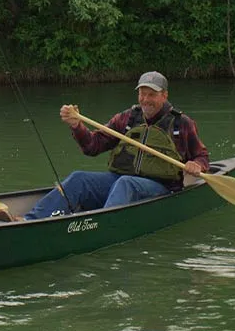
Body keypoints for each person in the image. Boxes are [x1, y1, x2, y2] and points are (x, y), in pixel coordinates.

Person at [23, 71, 209, 220]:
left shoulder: (181, 123)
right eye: (142, 94)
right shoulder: (127, 118)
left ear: (164, 95)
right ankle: (29, 220)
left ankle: (100, 225)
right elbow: (92, 146)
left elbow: (202, 156)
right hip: (118, 180)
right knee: (78, 178)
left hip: (161, 187)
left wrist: (197, 165)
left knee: (125, 183)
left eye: (151, 95)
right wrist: (77, 126)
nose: (145, 100)